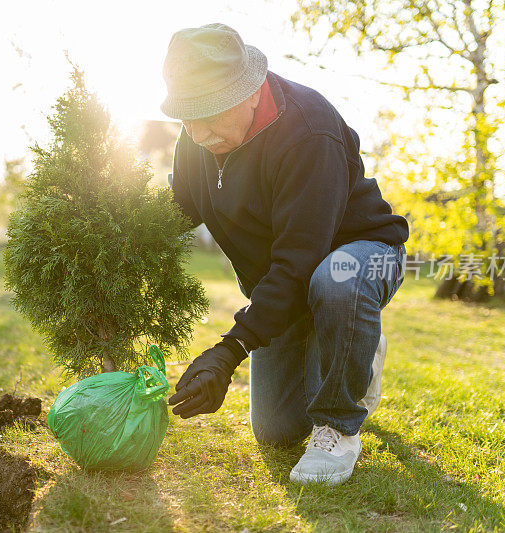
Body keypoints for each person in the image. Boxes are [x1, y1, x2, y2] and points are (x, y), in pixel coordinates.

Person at [162, 23, 409, 485]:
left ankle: (338, 423)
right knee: (276, 431)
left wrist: (229, 349)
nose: (198, 131)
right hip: (288, 282)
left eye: (208, 113)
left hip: (358, 258)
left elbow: (301, 259)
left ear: (250, 91)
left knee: (335, 281)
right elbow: (177, 210)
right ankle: (357, 348)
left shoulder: (308, 131)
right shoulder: (197, 138)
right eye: (186, 115)